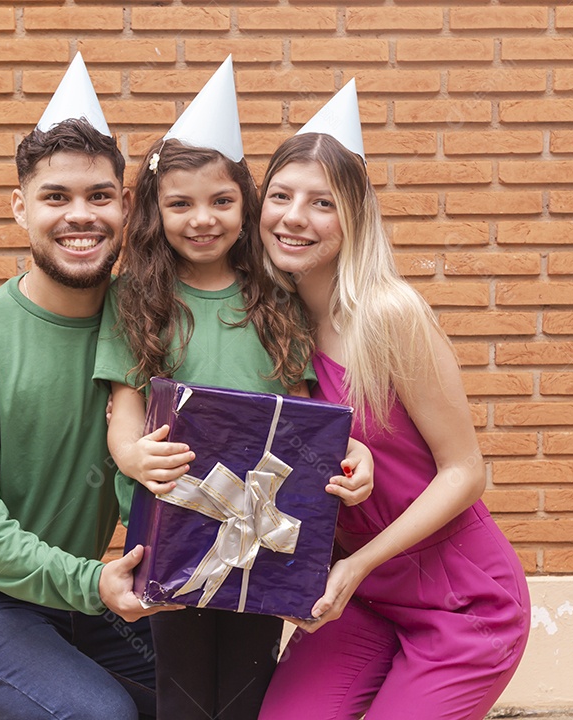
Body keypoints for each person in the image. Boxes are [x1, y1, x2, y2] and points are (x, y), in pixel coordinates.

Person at [0, 54, 174, 720]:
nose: (81, 215)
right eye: (56, 197)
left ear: (125, 206)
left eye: (99, 196)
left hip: (70, 597)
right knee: (99, 716)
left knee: (205, 698)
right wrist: (92, 581)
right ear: (21, 208)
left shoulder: (143, 322)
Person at [93, 59, 372, 720]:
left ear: (245, 203)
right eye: (180, 204)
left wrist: (351, 449)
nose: (203, 219)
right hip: (173, 519)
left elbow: (304, 407)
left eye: (221, 201)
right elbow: (124, 404)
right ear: (154, 210)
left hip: (261, 526)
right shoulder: (136, 297)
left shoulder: (273, 295)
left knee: (249, 683)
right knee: (183, 688)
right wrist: (132, 455)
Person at [256, 82, 531, 720]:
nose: (294, 217)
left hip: (463, 600)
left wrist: (356, 566)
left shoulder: (390, 316)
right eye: (281, 196)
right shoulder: (276, 322)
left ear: (354, 217)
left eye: (322, 203)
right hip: (363, 597)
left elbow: (465, 471)